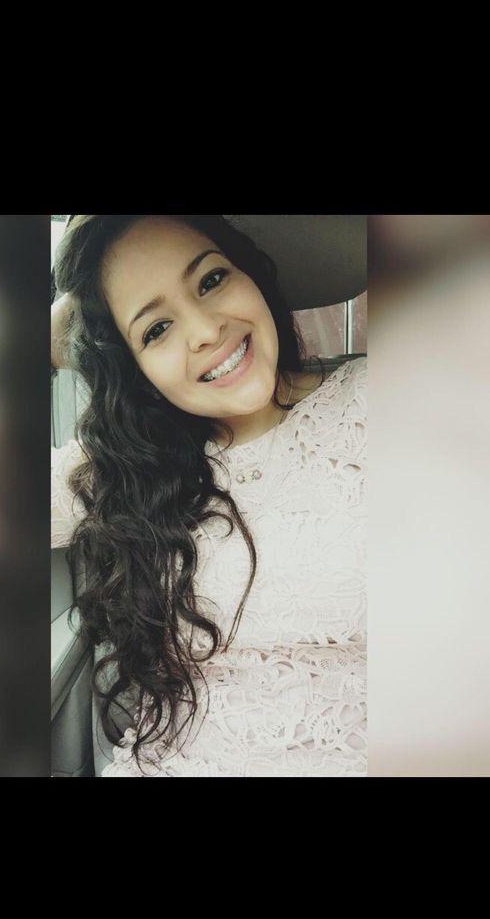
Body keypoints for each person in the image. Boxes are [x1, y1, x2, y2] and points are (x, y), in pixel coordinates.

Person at [51, 215, 367, 777]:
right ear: (135, 370)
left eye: (212, 280)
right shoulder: (122, 470)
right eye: (155, 329)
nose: (204, 330)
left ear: (250, 276)